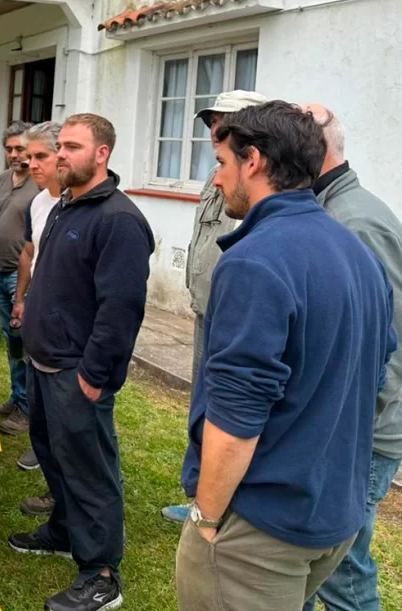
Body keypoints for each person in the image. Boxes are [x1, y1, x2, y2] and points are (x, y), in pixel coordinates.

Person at [176, 102, 395, 611]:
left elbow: (236, 414)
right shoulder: (354, 250)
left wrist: (206, 519)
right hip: (329, 513)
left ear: (252, 161)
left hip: (261, 525)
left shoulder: (255, 259)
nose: (215, 181)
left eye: (222, 164)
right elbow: (375, 375)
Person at [8, 114, 153, 611]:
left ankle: (102, 574)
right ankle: (65, 532)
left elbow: (121, 309)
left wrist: (94, 376)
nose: (59, 155)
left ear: (102, 154)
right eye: (59, 146)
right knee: (54, 457)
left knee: (90, 470)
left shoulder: (118, 219)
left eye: (71, 146)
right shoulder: (66, 204)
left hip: (77, 372)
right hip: (45, 364)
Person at [298, 105, 402, 611]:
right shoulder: (328, 209)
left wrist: (352, 430)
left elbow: (391, 340)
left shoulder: (352, 220)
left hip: (362, 437)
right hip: (347, 431)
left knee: (341, 571)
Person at [162, 89, 268, 524]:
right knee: (202, 400)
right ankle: (199, 492)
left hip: (232, 311)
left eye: (225, 120)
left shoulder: (254, 180)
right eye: (212, 120)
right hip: (206, 305)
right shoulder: (216, 174)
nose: (214, 129)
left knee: (223, 405)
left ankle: (216, 502)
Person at [10, 121, 62, 506]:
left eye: (39, 156)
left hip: (68, 328)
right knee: (41, 406)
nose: (30, 165)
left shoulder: (81, 205)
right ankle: (49, 473)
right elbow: (30, 252)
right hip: (39, 316)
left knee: (75, 421)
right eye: (28, 157)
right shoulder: (39, 203)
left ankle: (70, 496)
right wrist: (22, 298)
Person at [0, 121, 39, 437]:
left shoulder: (41, 183)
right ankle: (16, 397)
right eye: (9, 149)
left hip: (24, 277)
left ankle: (28, 409)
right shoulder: (2, 179)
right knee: (11, 342)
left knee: (26, 344)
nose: (14, 155)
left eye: (20, 149)